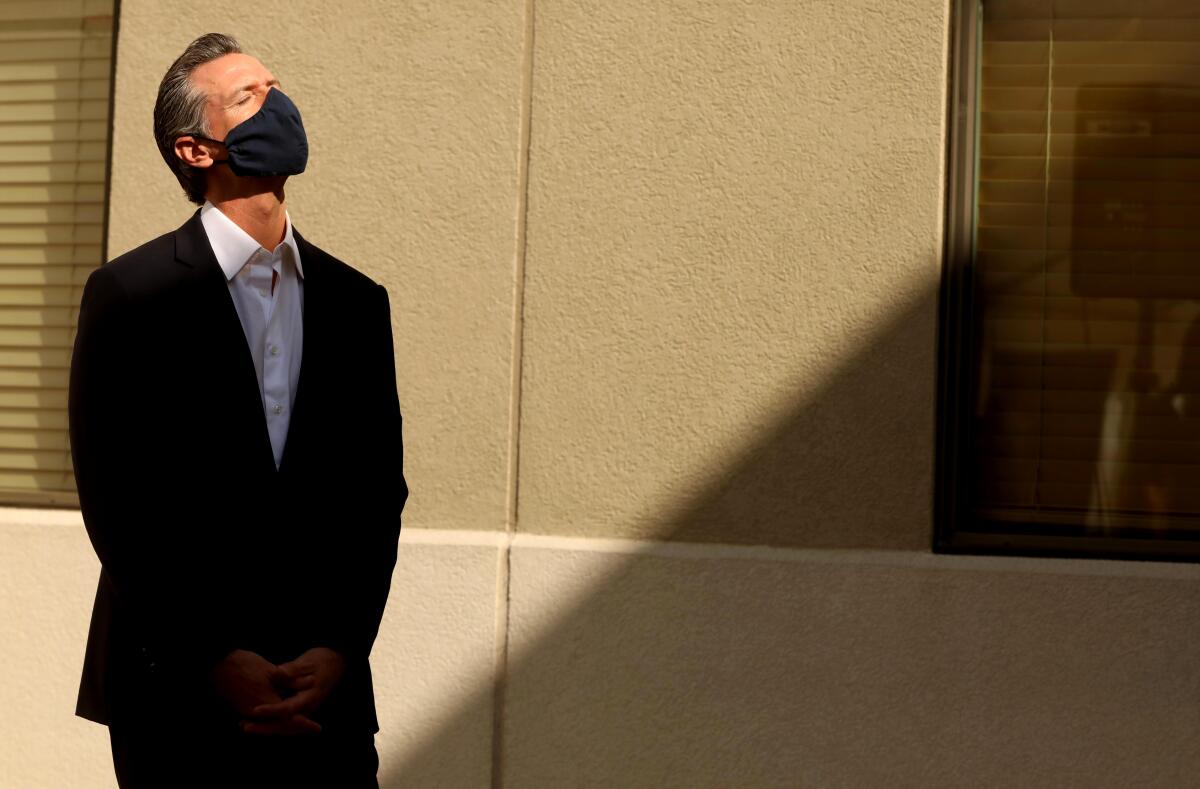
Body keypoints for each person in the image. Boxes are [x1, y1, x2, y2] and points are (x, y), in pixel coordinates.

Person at [68, 32, 406, 788]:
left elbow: (377, 489)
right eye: (251, 97)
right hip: (175, 693)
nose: (279, 105)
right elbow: (117, 497)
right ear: (195, 150)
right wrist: (212, 656)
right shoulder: (131, 293)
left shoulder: (357, 302)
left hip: (327, 698)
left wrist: (344, 645)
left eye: (277, 88)